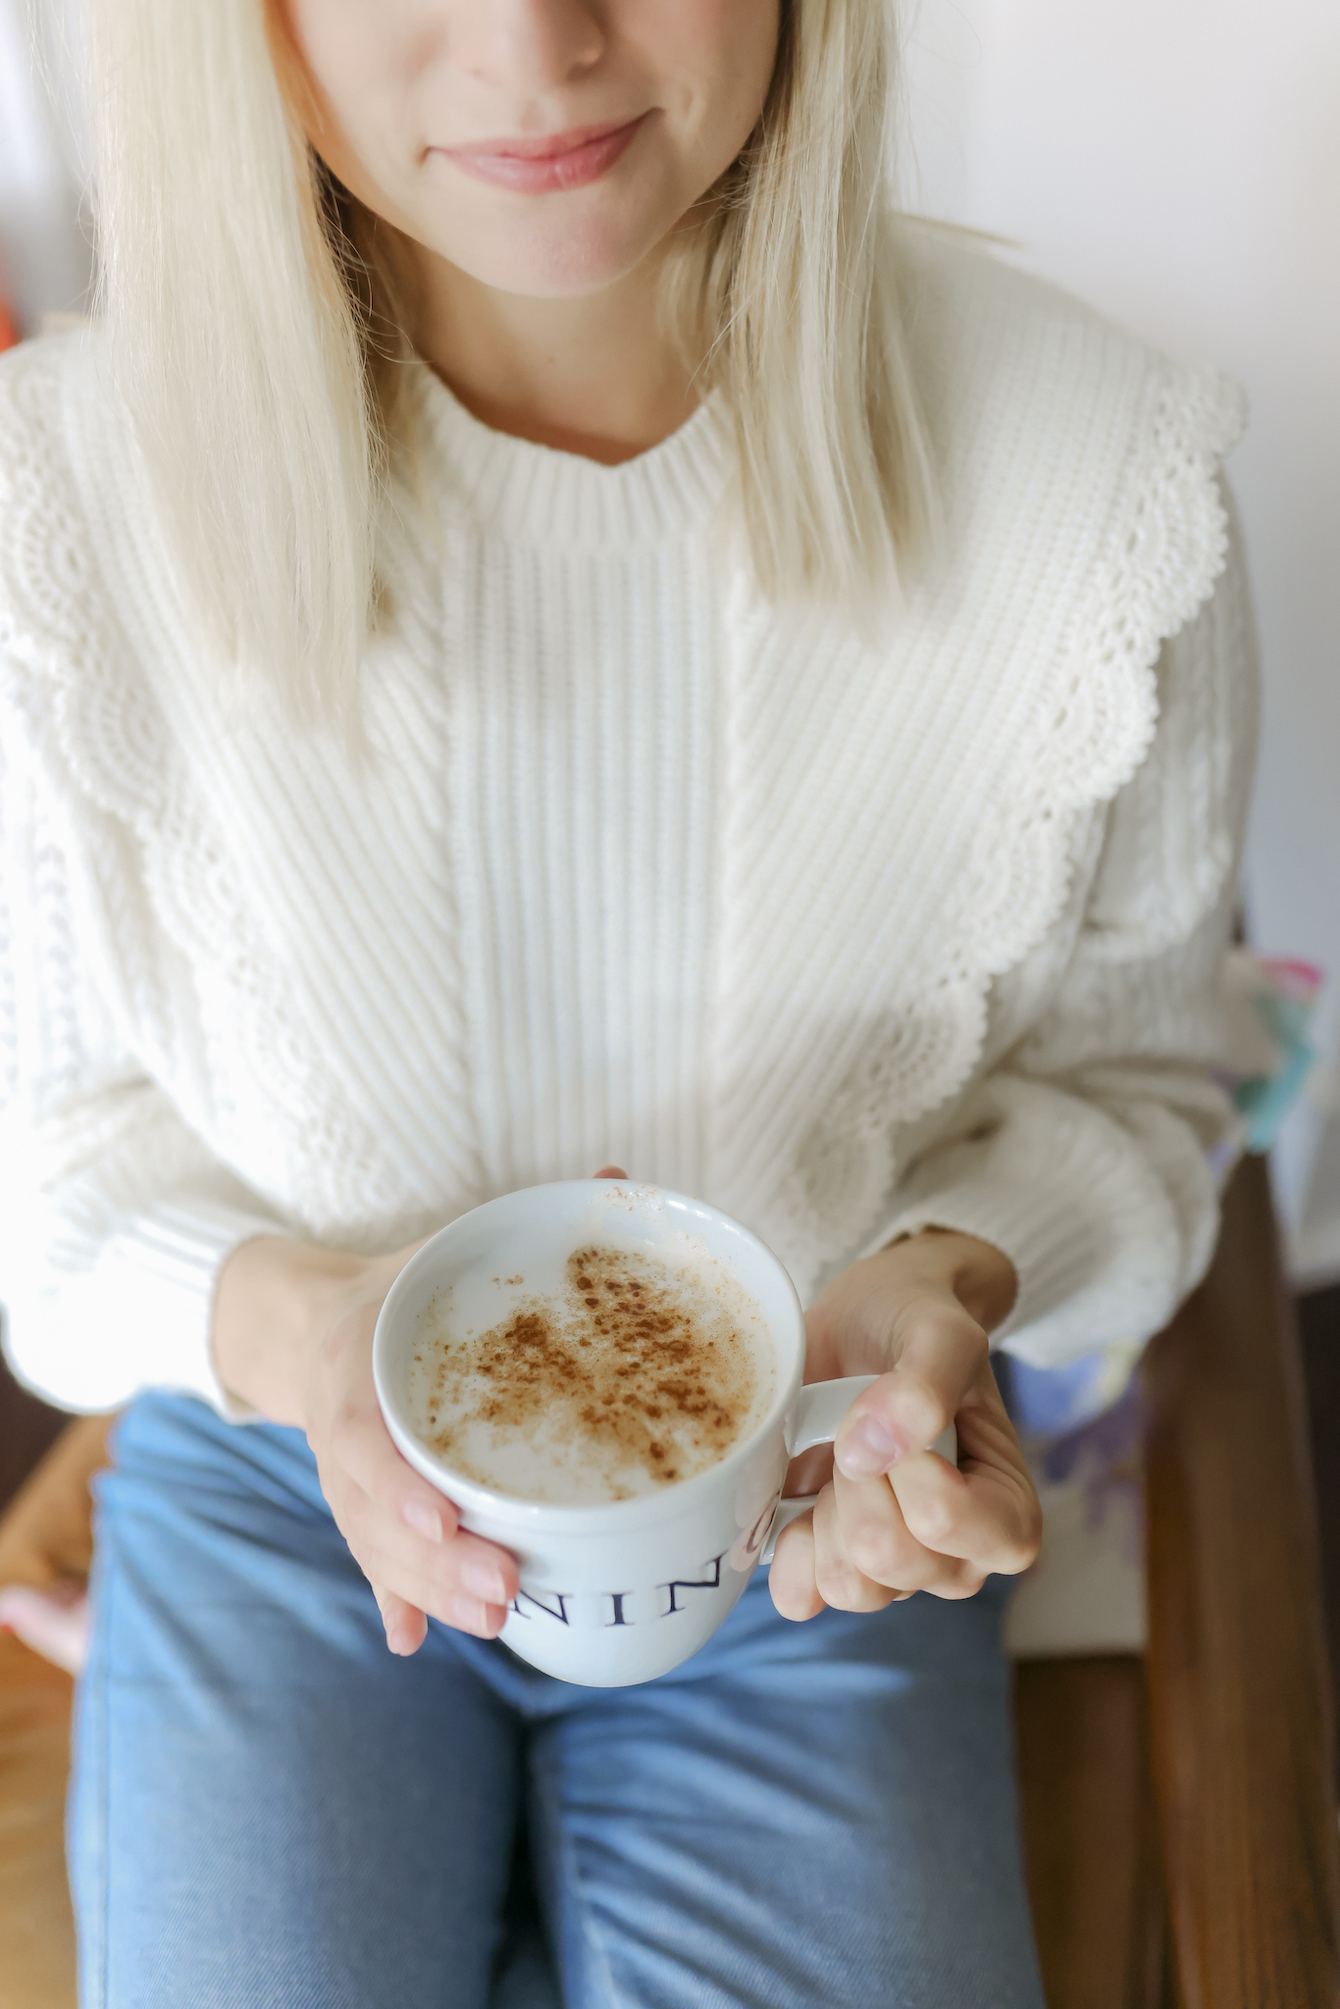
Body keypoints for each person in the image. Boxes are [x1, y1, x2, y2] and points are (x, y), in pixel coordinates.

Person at [0, 1, 1257, 2003]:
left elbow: (1144, 1075)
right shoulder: (61, 511)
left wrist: (947, 1278)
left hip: (816, 1473)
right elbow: (46, 1186)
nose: (534, 42)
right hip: (274, 1478)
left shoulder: (1098, 486)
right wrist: (301, 1334)